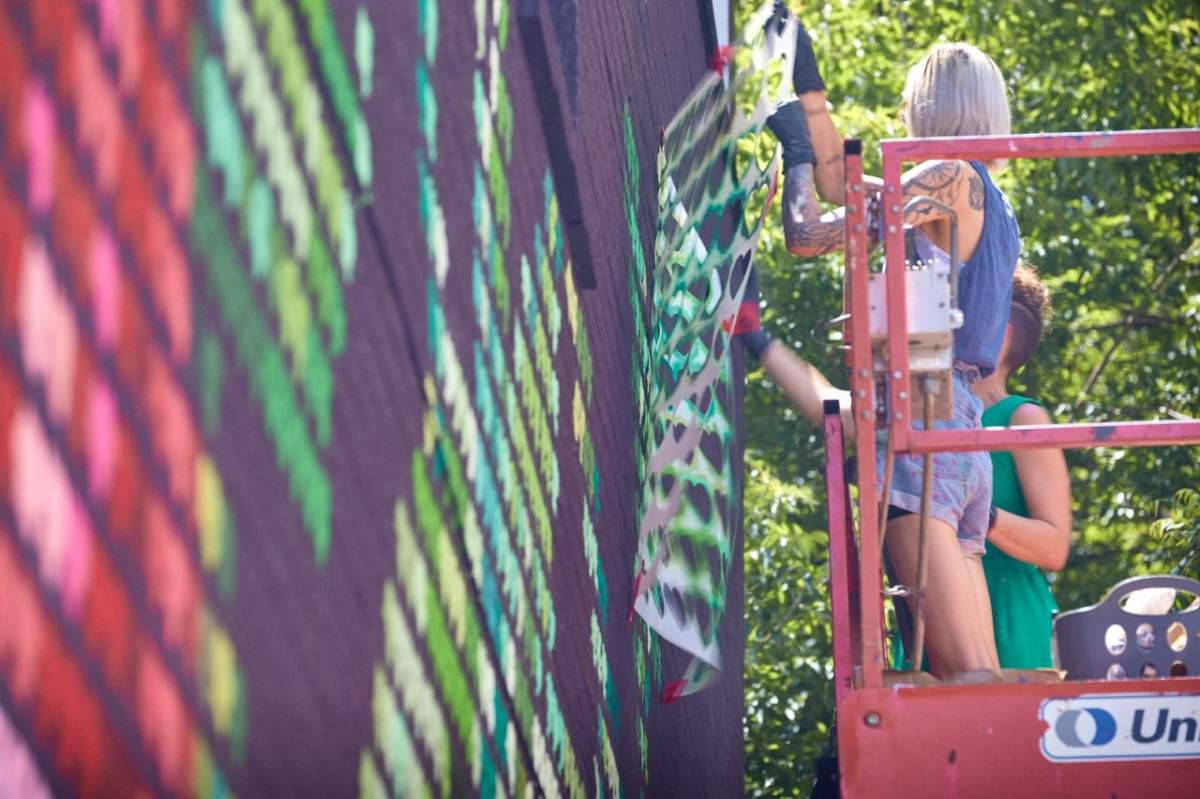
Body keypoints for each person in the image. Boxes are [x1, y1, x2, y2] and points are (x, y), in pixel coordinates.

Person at [758, 6, 1021, 679]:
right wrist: (809, 96)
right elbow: (843, 190)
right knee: (970, 670)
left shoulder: (950, 179)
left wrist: (792, 147)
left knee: (967, 676)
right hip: (957, 428)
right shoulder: (973, 196)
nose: (903, 113)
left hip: (926, 420)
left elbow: (814, 231)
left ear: (931, 108)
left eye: (910, 103)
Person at [889, 263, 1072, 670]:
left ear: (1000, 334)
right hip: (932, 609)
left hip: (1009, 618)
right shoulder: (928, 415)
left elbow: (1054, 545)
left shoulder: (1022, 418)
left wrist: (975, 513)